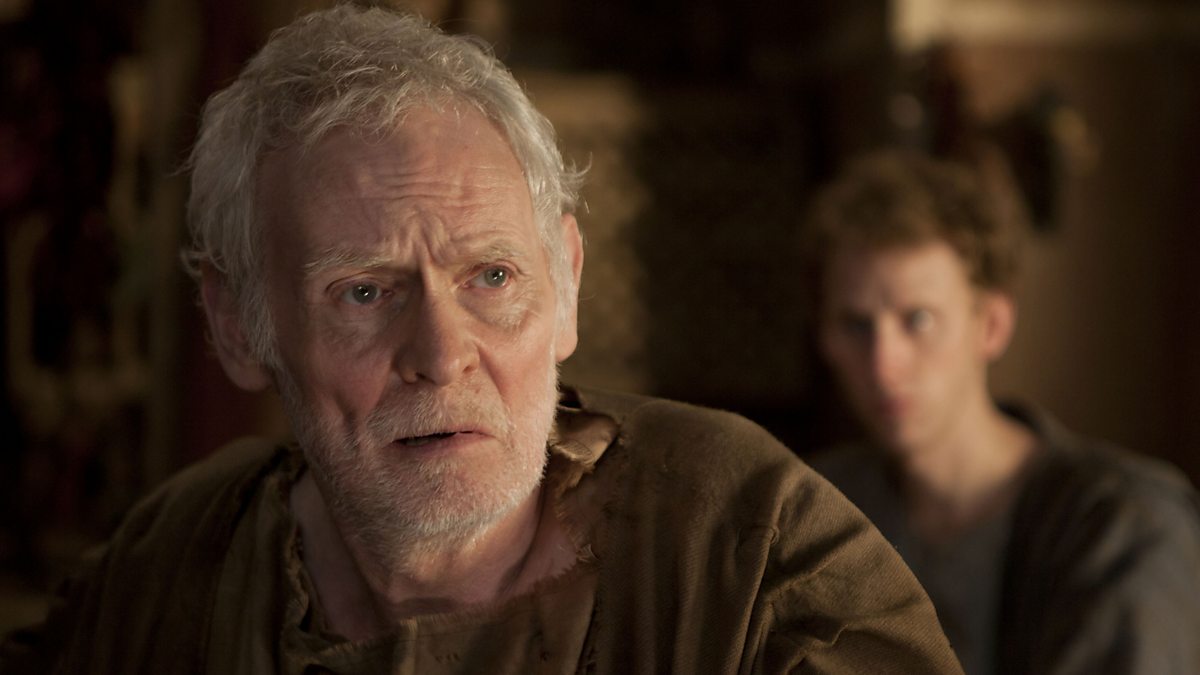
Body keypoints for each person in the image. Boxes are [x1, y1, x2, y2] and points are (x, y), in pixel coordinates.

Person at [0, 7, 964, 673]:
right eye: (364, 291)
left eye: (491, 277)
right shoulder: (174, 567)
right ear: (235, 325)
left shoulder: (755, 557)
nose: (442, 353)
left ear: (566, 284)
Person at [801, 149, 1200, 674]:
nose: (883, 363)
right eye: (856, 325)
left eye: (918, 320)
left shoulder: (1124, 526)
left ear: (990, 326)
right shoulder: (815, 512)